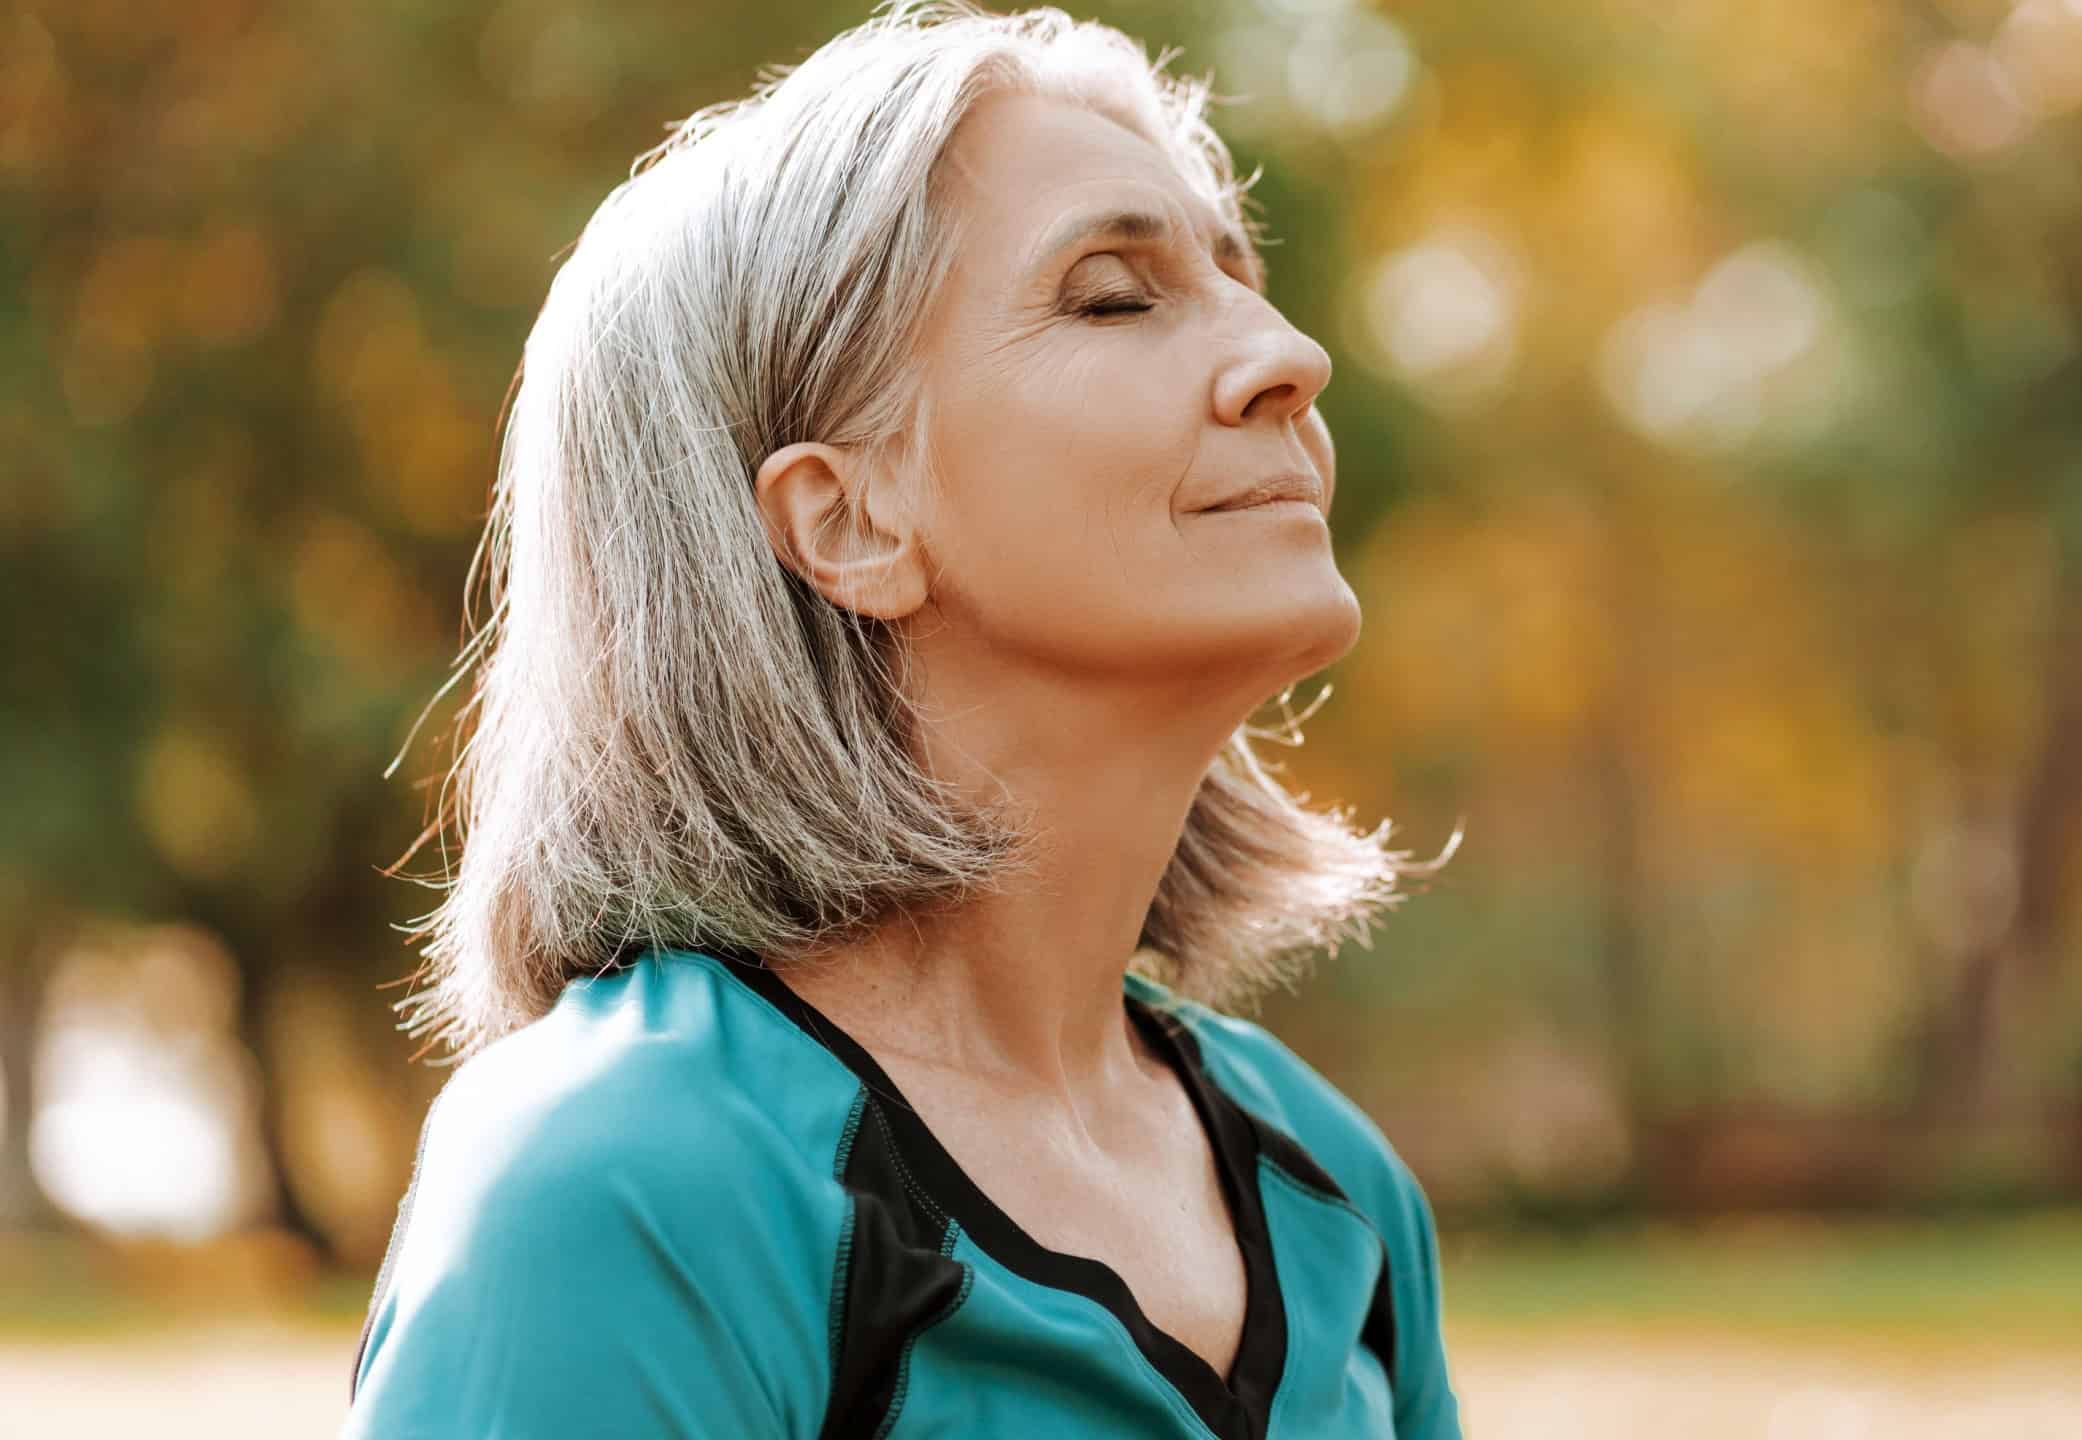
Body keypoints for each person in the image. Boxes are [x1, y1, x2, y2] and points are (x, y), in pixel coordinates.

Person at [342, 3, 1466, 1437]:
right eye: (1115, 295)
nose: (1288, 357)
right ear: (850, 518)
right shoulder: (618, 1185)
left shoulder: (1338, 1185)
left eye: (1244, 278)